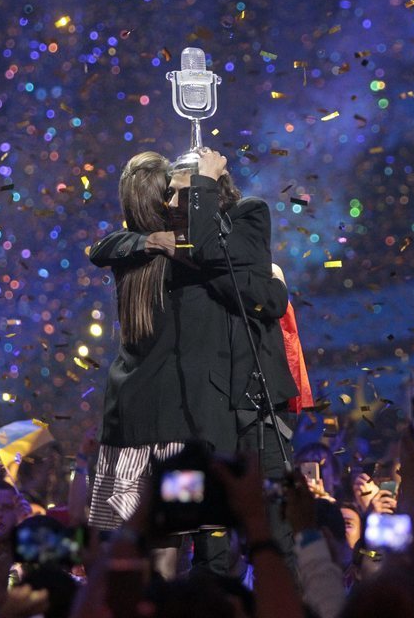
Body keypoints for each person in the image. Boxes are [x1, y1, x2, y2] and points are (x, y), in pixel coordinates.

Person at [88, 148, 299, 574]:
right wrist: (275, 286)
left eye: (178, 195)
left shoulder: (143, 258)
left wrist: (149, 239)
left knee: (153, 548)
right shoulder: (180, 257)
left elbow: (102, 248)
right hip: (184, 430)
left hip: (136, 427)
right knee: (199, 547)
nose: (171, 205)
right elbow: (251, 286)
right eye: (167, 196)